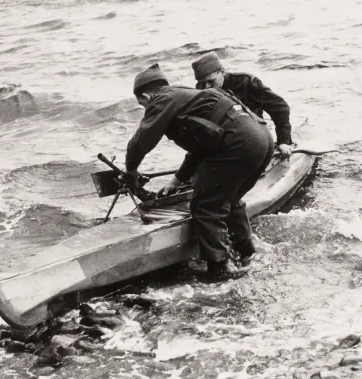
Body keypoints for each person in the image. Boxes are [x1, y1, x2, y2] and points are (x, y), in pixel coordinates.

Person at [124, 63, 275, 281]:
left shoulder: (162, 99)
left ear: (147, 96)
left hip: (239, 142)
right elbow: (202, 147)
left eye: (142, 104)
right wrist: (178, 180)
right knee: (229, 199)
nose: (145, 109)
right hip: (261, 138)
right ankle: (246, 254)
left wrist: (130, 170)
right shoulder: (188, 96)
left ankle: (219, 271)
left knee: (206, 206)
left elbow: (141, 141)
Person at [191, 51, 295, 260]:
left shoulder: (246, 83)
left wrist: (284, 140)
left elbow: (280, 107)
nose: (206, 89)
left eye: (210, 81)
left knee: (226, 194)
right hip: (226, 148)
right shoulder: (203, 91)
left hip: (253, 144)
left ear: (223, 71)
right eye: (201, 84)